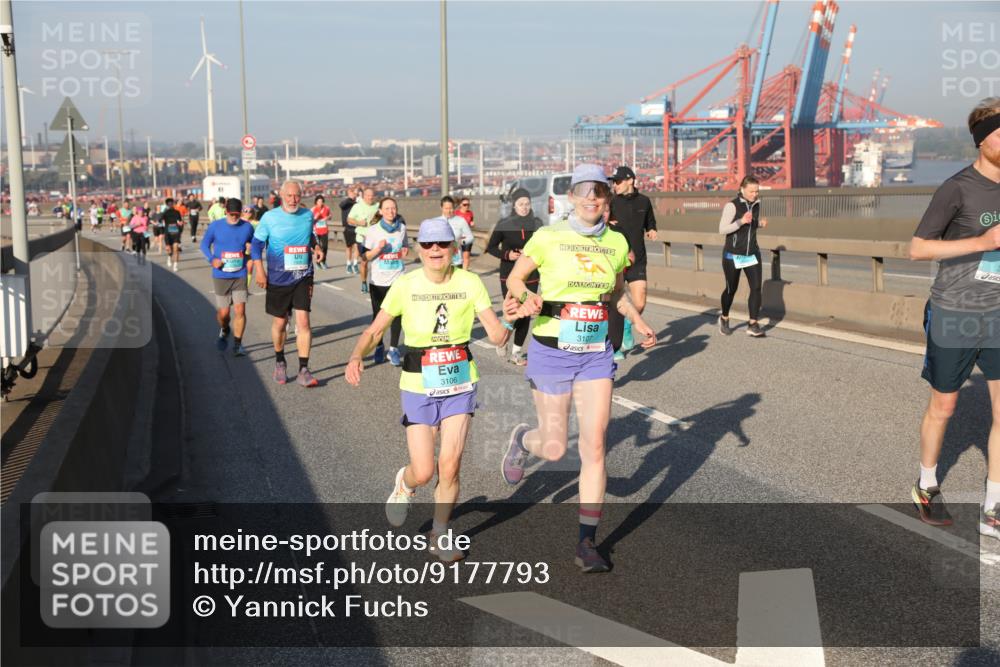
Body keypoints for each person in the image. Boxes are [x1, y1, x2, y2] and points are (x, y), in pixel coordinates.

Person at [500, 164, 656, 573]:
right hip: (551, 351)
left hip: (595, 354)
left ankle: (587, 542)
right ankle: (522, 440)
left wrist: (637, 321)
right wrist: (526, 298)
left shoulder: (617, 242)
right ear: (572, 196)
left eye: (599, 192)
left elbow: (616, 294)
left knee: (594, 445)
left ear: (608, 199)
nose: (592, 198)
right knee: (554, 447)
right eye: (585, 190)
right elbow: (516, 279)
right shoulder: (549, 236)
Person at [345, 218, 518, 562]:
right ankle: (405, 485)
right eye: (428, 245)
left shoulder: (470, 283)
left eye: (442, 244)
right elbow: (377, 329)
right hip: (418, 384)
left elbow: (497, 336)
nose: (435, 250)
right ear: (419, 249)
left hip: (460, 382)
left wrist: (511, 319)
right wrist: (355, 355)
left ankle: (439, 534)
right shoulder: (405, 285)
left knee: (450, 465)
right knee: (424, 470)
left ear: (453, 247)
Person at [908, 97, 1000, 541]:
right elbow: (918, 248)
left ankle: (994, 501)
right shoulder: (957, 188)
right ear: (983, 141)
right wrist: (980, 241)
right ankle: (926, 484)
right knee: (944, 406)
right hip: (955, 311)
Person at [251, 180, 324, 387]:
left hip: (302, 276)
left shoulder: (307, 215)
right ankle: (280, 361)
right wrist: (259, 271)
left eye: (297, 196)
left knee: (303, 323)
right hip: (277, 278)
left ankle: (303, 369)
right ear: (281, 196)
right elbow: (256, 245)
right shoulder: (269, 217)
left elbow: (309, 236)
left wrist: (316, 248)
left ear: (302, 196)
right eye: (289, 196)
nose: (293, 200)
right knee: (280, 323)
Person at [486, 187, 543, 365]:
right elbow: (492, 247)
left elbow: (544, 246)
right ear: (514, 206)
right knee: (513, 311)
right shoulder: (505, 224)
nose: (524, 207)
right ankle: (503, 339)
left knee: (526, 314)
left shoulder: (537, 223)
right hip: (509, 275)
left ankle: (516, 352)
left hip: (531, 275)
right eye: (521, 204)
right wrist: (507, 255)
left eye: (527, 204)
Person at [608, 166, 659, 359]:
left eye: (618, 181)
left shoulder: (644, 201)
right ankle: (616, 344)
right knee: (615, 302)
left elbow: (650, 222)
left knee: (640, 301)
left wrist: (652, 229)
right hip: (617, 259)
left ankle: (628, 324)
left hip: (637, 258)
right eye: (614, 182)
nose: (615, 185)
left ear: (630, 180)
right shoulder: (611, 202)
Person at [202, 198, 255, 357]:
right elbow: (204, 245)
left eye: (237, 215)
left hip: (239, 274)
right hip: (221, 275)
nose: (234, 218)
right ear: (226, 212)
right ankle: (225, 329)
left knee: (240, 310)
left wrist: (251, 248)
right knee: (224, 315)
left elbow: (254, 244)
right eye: (232, 215)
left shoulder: (247, 227)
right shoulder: (216, 226)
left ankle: (238, 345)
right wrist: (212, 259)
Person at [717, 175, 768, 338]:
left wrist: (759, 224)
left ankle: (753, 324)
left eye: (757, 191)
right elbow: (722, 229)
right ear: (742, 190)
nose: (755, 194)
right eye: (752, 191)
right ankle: (724, 317)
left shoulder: (756, 204)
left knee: (756, 288)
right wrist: (740, 221)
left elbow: (750, 225)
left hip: (752, 253)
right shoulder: (732, 206)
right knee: (731, 289)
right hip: (733, 255)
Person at [362, 197, 409, 366]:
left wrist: (405, 251)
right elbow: (364, 256)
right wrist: (377, 249)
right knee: (378, 317)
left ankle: (394, 349)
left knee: (397, 316)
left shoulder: (402, 228)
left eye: (393, 208)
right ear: (380, 211)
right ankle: (379, 346)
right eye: (387, 208)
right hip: (378, 281)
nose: (391, 211)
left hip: (398, 278)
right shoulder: (373, 230)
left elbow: (405, 246)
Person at [348, 187, 379, 293]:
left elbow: (382, 219)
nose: (370, 197)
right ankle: (364, 282)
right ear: (363, 196)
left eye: (372, 195)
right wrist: (358, 222)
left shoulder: (378, 206)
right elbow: (349, 219)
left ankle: (377, 283)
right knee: (364, 262)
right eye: (368, 195)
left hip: (376, 238)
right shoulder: (357, 206)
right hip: (362, 238)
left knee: (377, 262)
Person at [439, 196, 474, 270]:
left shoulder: (460, 220)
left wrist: (461, 242)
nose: (449, 211)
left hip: (456, 260)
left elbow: (471, 237)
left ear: (454, 208)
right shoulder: (436, 222)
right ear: (441, 208)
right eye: (446, 208)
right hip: (440, 260)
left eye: (451, 208)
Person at [339, 186, 359, 275]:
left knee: (357, 246)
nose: (354, 194)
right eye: (353, 192)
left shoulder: (357, 203)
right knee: (349, 247)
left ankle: (355, 263)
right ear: (349, 193)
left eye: (355, 192)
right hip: (348, 227)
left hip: (357, 227)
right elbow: (341, 205)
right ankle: (348, 264)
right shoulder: (345, 202)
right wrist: (349, 198)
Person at [162, 197, 184, 271]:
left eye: (172, 203)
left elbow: (180, 221)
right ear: (167, 204)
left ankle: (175, 265)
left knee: (176, 248)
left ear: (173, 204)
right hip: (168, 232)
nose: (171, 204)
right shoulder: (165, 212)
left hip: (175, 232)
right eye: (169, 203)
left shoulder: (177, 212)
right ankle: (169, 257)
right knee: (169, 249)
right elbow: (159, 220)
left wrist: (180, 223)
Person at [311, 195, 332, 270]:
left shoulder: (327, 208)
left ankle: (323, 261)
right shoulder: (313, 209)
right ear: (316, 202)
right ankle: (317, 262)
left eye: (321, 201)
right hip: (316, 231)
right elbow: (310, 221)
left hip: (324, 230)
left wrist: (328, 217)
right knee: (318, 247)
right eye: (319, 201)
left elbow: (330, 216)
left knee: (325, 246)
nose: (320, 202)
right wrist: (316, 217)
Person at [456, 197, 475, 268]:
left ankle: (464, 273)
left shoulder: (470, 213)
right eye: (465, 204)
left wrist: (472, 224)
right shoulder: (456, 213)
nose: (466, 206)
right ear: (460, 205)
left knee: (466, 256)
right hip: (457, 237)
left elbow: (471, 223)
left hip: (467, 237)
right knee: (457, 258)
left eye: (468, 205)